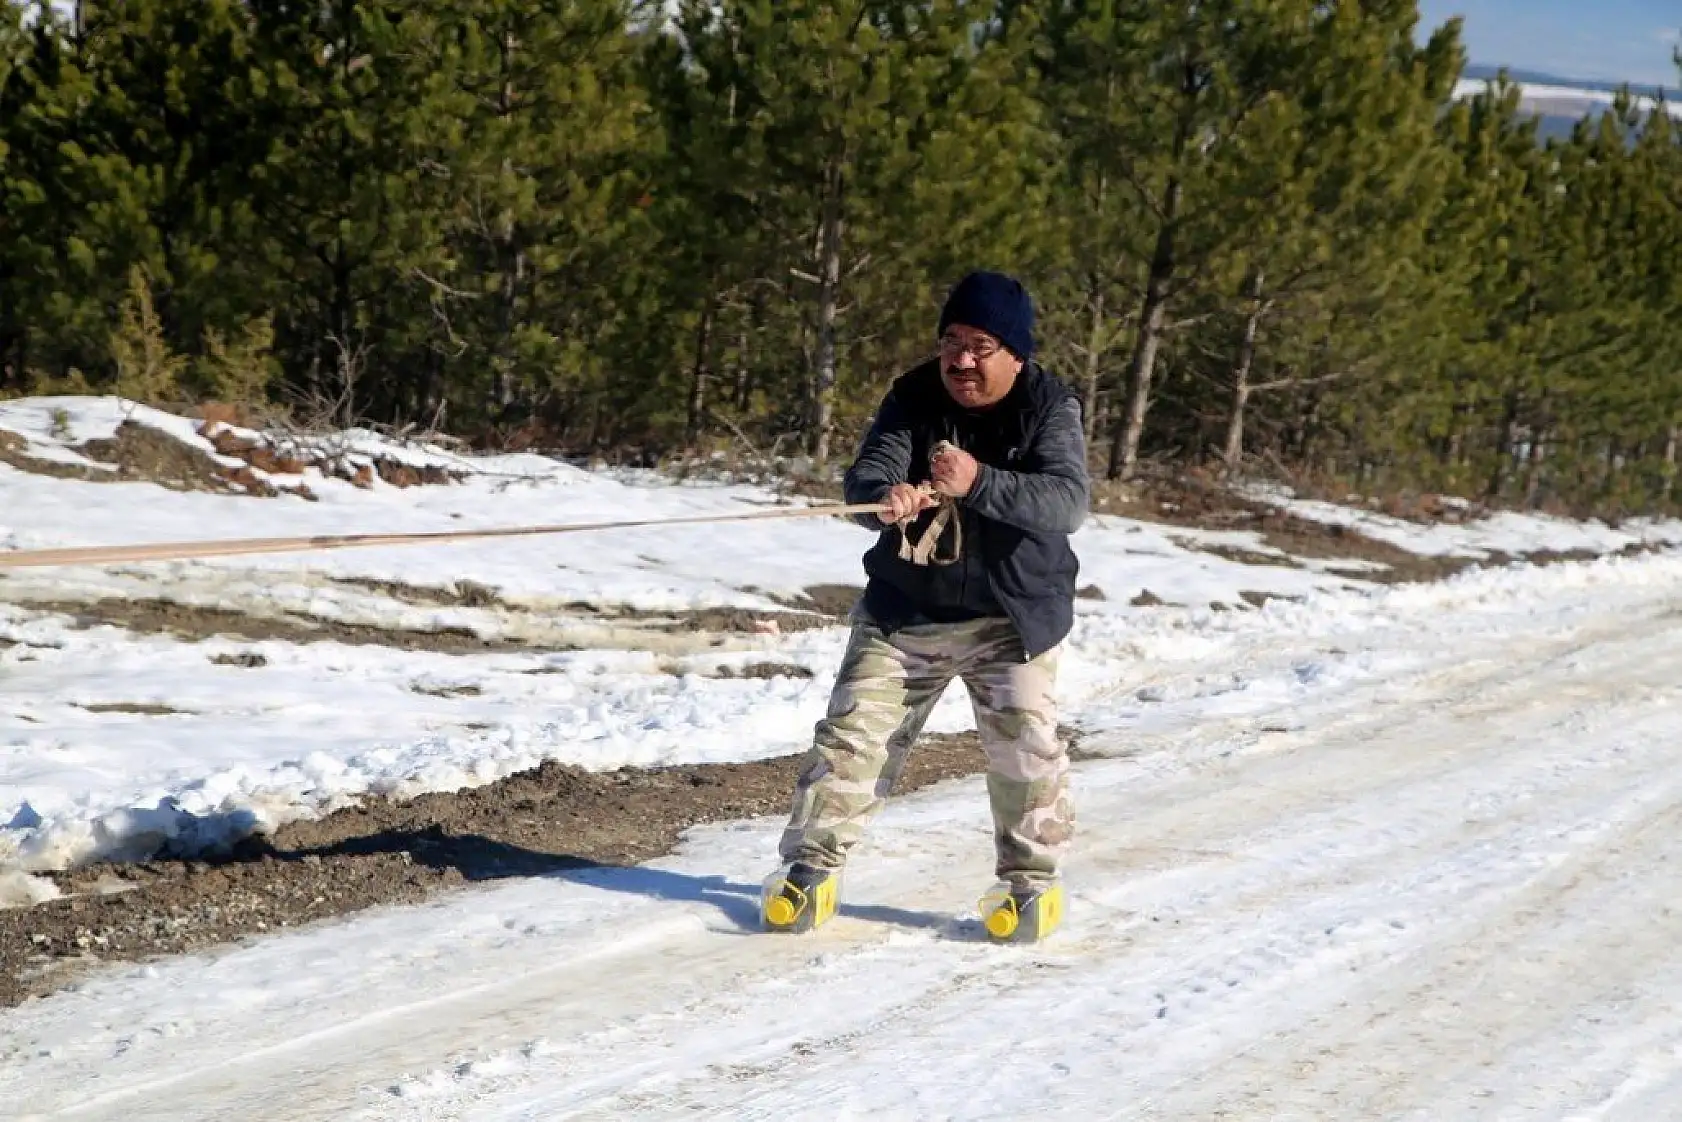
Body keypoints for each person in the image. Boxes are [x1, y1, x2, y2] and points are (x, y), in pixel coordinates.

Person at [763, 270, 1089, 939]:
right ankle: (809, 875)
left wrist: (979, 481)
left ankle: (1029, 887)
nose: (961, 360)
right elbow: (868, 473)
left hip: (1012, 613)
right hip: (907, 609)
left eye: (980, 346)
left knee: (1025, 747)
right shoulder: (912, 396)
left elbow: (1067, 502)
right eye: (952, 342)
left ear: (1016, 354)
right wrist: (886, 497)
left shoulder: (1049, 404)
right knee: (852, 738)